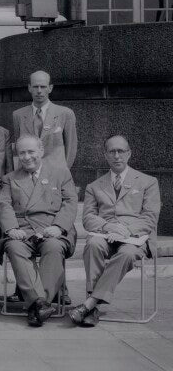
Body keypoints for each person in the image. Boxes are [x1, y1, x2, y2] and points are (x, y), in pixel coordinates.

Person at [72, 135, 161, 327]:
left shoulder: (148, 182)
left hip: (136, 238)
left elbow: (150, 217)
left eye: (121, 151)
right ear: (105, 155)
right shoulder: (94, 186)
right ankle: (92, 308)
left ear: (129, 153)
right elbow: (88, 218)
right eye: (112, 151)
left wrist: (125, 231)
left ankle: (90, 303)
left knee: (127, 253)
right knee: (93, 244)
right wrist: (107, 226)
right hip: (106, 235)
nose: (117, 155)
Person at [0, 135, 77, 327]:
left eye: (31, 151)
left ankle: (39, 304)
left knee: (53, 247)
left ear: (41, 151)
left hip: (52, 227)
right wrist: (11, 228)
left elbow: (70, 203)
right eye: (22, 153)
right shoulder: (10, 178)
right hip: (22, 229)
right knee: (15, 248)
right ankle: (40, 304)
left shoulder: (61, 174)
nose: (26, 157)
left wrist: (59, 227)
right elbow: (4, 205)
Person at [11, 70, 77, 170]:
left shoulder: (65, 114)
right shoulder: (18, 115)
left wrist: (63, 173)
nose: (39, 91)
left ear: (50, 88)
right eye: (35, 86)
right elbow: (18, 146)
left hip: (55, 173)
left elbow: (71, 147)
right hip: (27, 173)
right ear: (29, 88)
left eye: (43, 86)